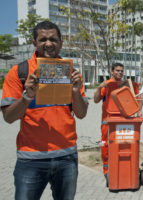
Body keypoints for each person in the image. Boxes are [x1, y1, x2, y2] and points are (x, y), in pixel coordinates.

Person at [1, 21, 88, 200]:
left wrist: (75, 91)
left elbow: (81, 113)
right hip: (30, 159)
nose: (48, 44)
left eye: (53, 39)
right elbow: (9, 117)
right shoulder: (19, 72)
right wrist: (26, 96)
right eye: (43, 39)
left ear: (61, 42)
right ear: (34, 42)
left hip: (66, 157)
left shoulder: (72, 72)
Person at [94, 63, 139, 176]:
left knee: (123, 145)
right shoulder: (107, 84)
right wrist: (99, 87)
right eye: (117, 70)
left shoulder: (127, 85)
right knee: (106, 145)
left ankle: (121, 168)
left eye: (121, 71)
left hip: (122, 120)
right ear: (112, 71)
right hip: (107, 121)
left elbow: (137, 99)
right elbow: (95, 100)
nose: (120, 73)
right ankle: (107, 170)